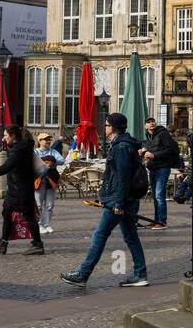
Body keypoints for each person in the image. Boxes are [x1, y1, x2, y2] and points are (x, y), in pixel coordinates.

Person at [59, 113, 148, 289]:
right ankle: (140, 273)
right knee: (131, 236)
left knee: (99, 235)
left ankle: (83, 274)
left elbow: (123, 177)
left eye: (106, 125)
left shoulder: (121, 146)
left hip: (119, 199)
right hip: (124, 198)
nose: (104, 127)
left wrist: (118, 204)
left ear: (113, 128)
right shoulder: (123, 144)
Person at [0, 126, 44, 254]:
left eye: (6, 135)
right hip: (16, 188)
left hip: (21, 189)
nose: (3, 138)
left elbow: (6, 167)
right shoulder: (19, 148)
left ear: (13, 136)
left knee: (29, 215)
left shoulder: (19, 150)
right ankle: (3, 243)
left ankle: (38, 244)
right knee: (7, 212)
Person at [139, 116, 180, 228]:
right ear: (145, 126)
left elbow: (170, 150)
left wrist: (154, 155)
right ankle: (156, 220)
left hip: (163, 167)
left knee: (159, 195)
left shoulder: (162, 133)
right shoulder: (148, 136)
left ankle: (162, 221)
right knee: (155, 196)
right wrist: (143, 152)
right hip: (153, 168)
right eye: (148, 122)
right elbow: (151, 150)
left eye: (152, 121)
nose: (151, 123)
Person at [33, 132, 65, 233]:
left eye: (49, 139)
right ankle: (38, 224)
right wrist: (49, 162)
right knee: (38, 205)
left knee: (50, 205)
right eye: (45, 139)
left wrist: (47, 161)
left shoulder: (53, 151)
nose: (48, 141)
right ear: (39, 141)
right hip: (39, 180)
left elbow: (61, 160)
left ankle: (47, 224)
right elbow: (34, 163)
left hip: (51, 180)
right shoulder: (35, 152)